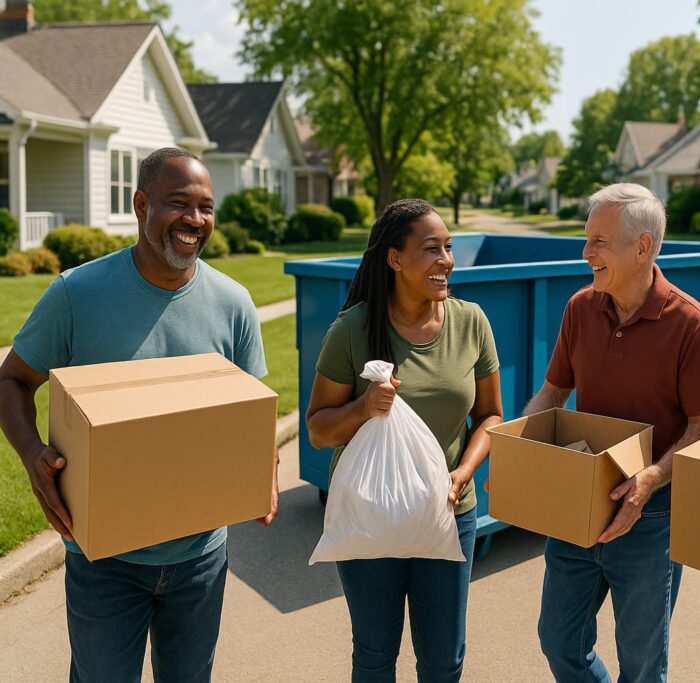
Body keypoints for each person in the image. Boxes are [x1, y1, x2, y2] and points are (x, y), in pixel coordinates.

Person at [0, 148, 275, 682]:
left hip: (201, 557)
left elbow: (252, 412)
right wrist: (34, 456)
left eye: (206, 207)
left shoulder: (234, 303)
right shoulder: (76, 294)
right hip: (103, 559)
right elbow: (11, 380)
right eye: (179, 204)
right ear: (141, 204)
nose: (196, 220)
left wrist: (264, 474)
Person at [523, 183, 700, 682]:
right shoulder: (580, 307)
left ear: (643, 248)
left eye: (599, 242)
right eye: (587, 239)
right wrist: (519, 458)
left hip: (651, 518)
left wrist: (652, 477)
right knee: (559, 640)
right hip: (578, 504)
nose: (585, 252)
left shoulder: (691, 324)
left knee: (642, 663)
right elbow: (552, 393)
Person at [305, 198, 502, 682]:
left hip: (449, 513)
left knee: (443, 661)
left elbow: (491, 416)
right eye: (432, 249)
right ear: (395, 259)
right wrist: (361, 408)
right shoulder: (353, 329)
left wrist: (463, 472)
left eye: (449, 248)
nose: (446, 261)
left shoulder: (470, 321)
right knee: (374, 657)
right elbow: (316, 429)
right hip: (370, 514)